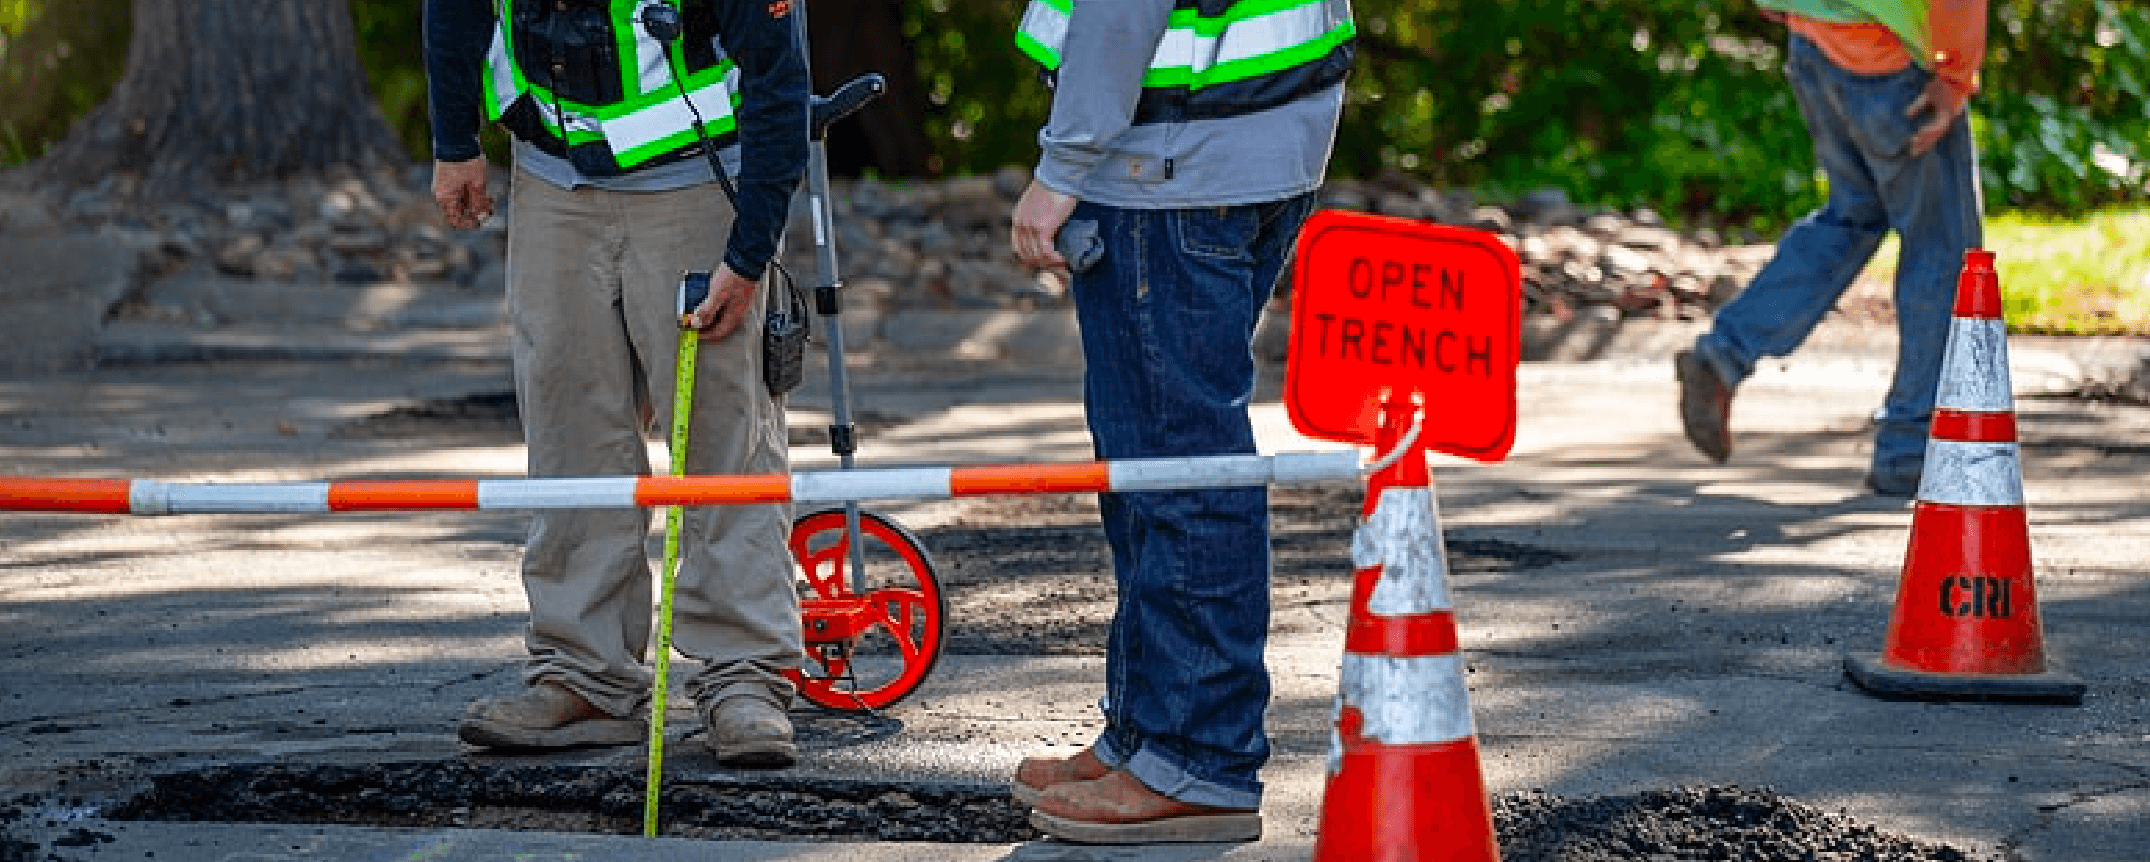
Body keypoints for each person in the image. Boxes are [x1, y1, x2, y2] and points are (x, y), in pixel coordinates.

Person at [423, 0, 809, 767]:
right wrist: (453, 141)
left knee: (721, 436)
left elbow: (779, 79)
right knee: (569, 428)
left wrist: (748, 255)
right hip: (553, 185)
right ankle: (584, 676)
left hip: (697, 183)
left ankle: (745, 677)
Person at [1005, 0, 1355, 844]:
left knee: (1178, 467)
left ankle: (1195, 761)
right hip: (1256, 140)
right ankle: (1146, 734)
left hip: (1169, 163)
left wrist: (1064, 166)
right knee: (1156, 455)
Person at [1677, 0, 1987, 496]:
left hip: (1815, 37)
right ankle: (1911, 449)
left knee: (1853, 215)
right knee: (1943, 248)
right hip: (1885, 55)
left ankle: (1725, 353)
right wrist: (1953, 76)